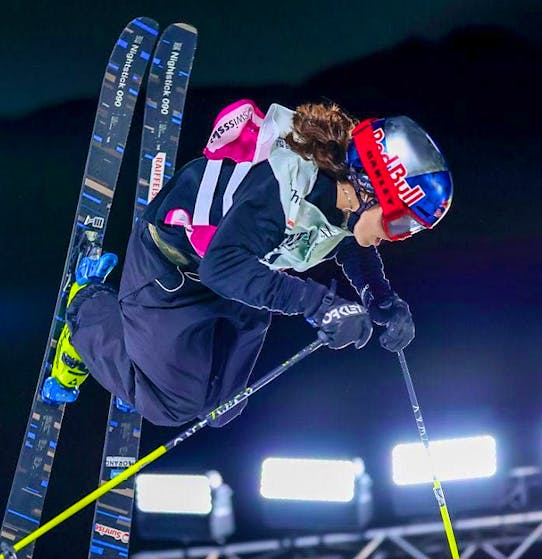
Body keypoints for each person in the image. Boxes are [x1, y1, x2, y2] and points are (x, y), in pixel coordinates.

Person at [41, 99, 453, 428]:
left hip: (239, 278)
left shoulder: (342, 197)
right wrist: (320, 305)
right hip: (172, 272)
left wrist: (381, 299)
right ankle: (87, 309)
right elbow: (220, 266)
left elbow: (348, 244)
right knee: (175, 406)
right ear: (367, 186)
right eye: (400, 222)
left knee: (224, 407)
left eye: (412, 230)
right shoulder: (280, 188)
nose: (398, 235)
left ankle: (150, 368)